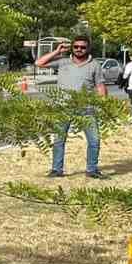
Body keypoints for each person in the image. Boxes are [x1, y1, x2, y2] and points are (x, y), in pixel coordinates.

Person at [34, 36, 107, 178]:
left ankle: (92, 170)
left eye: (83, 47)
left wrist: (103, 105)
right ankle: (56, 169)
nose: (79, 49)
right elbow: (39, 63)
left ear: (88, 48)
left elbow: (100, 85)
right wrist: (57, 51)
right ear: (72, 48)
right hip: (63, 108)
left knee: (94, 140)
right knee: (59, 140)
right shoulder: (63, 62)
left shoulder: (94, 65)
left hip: (86, 108)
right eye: (76, 47)